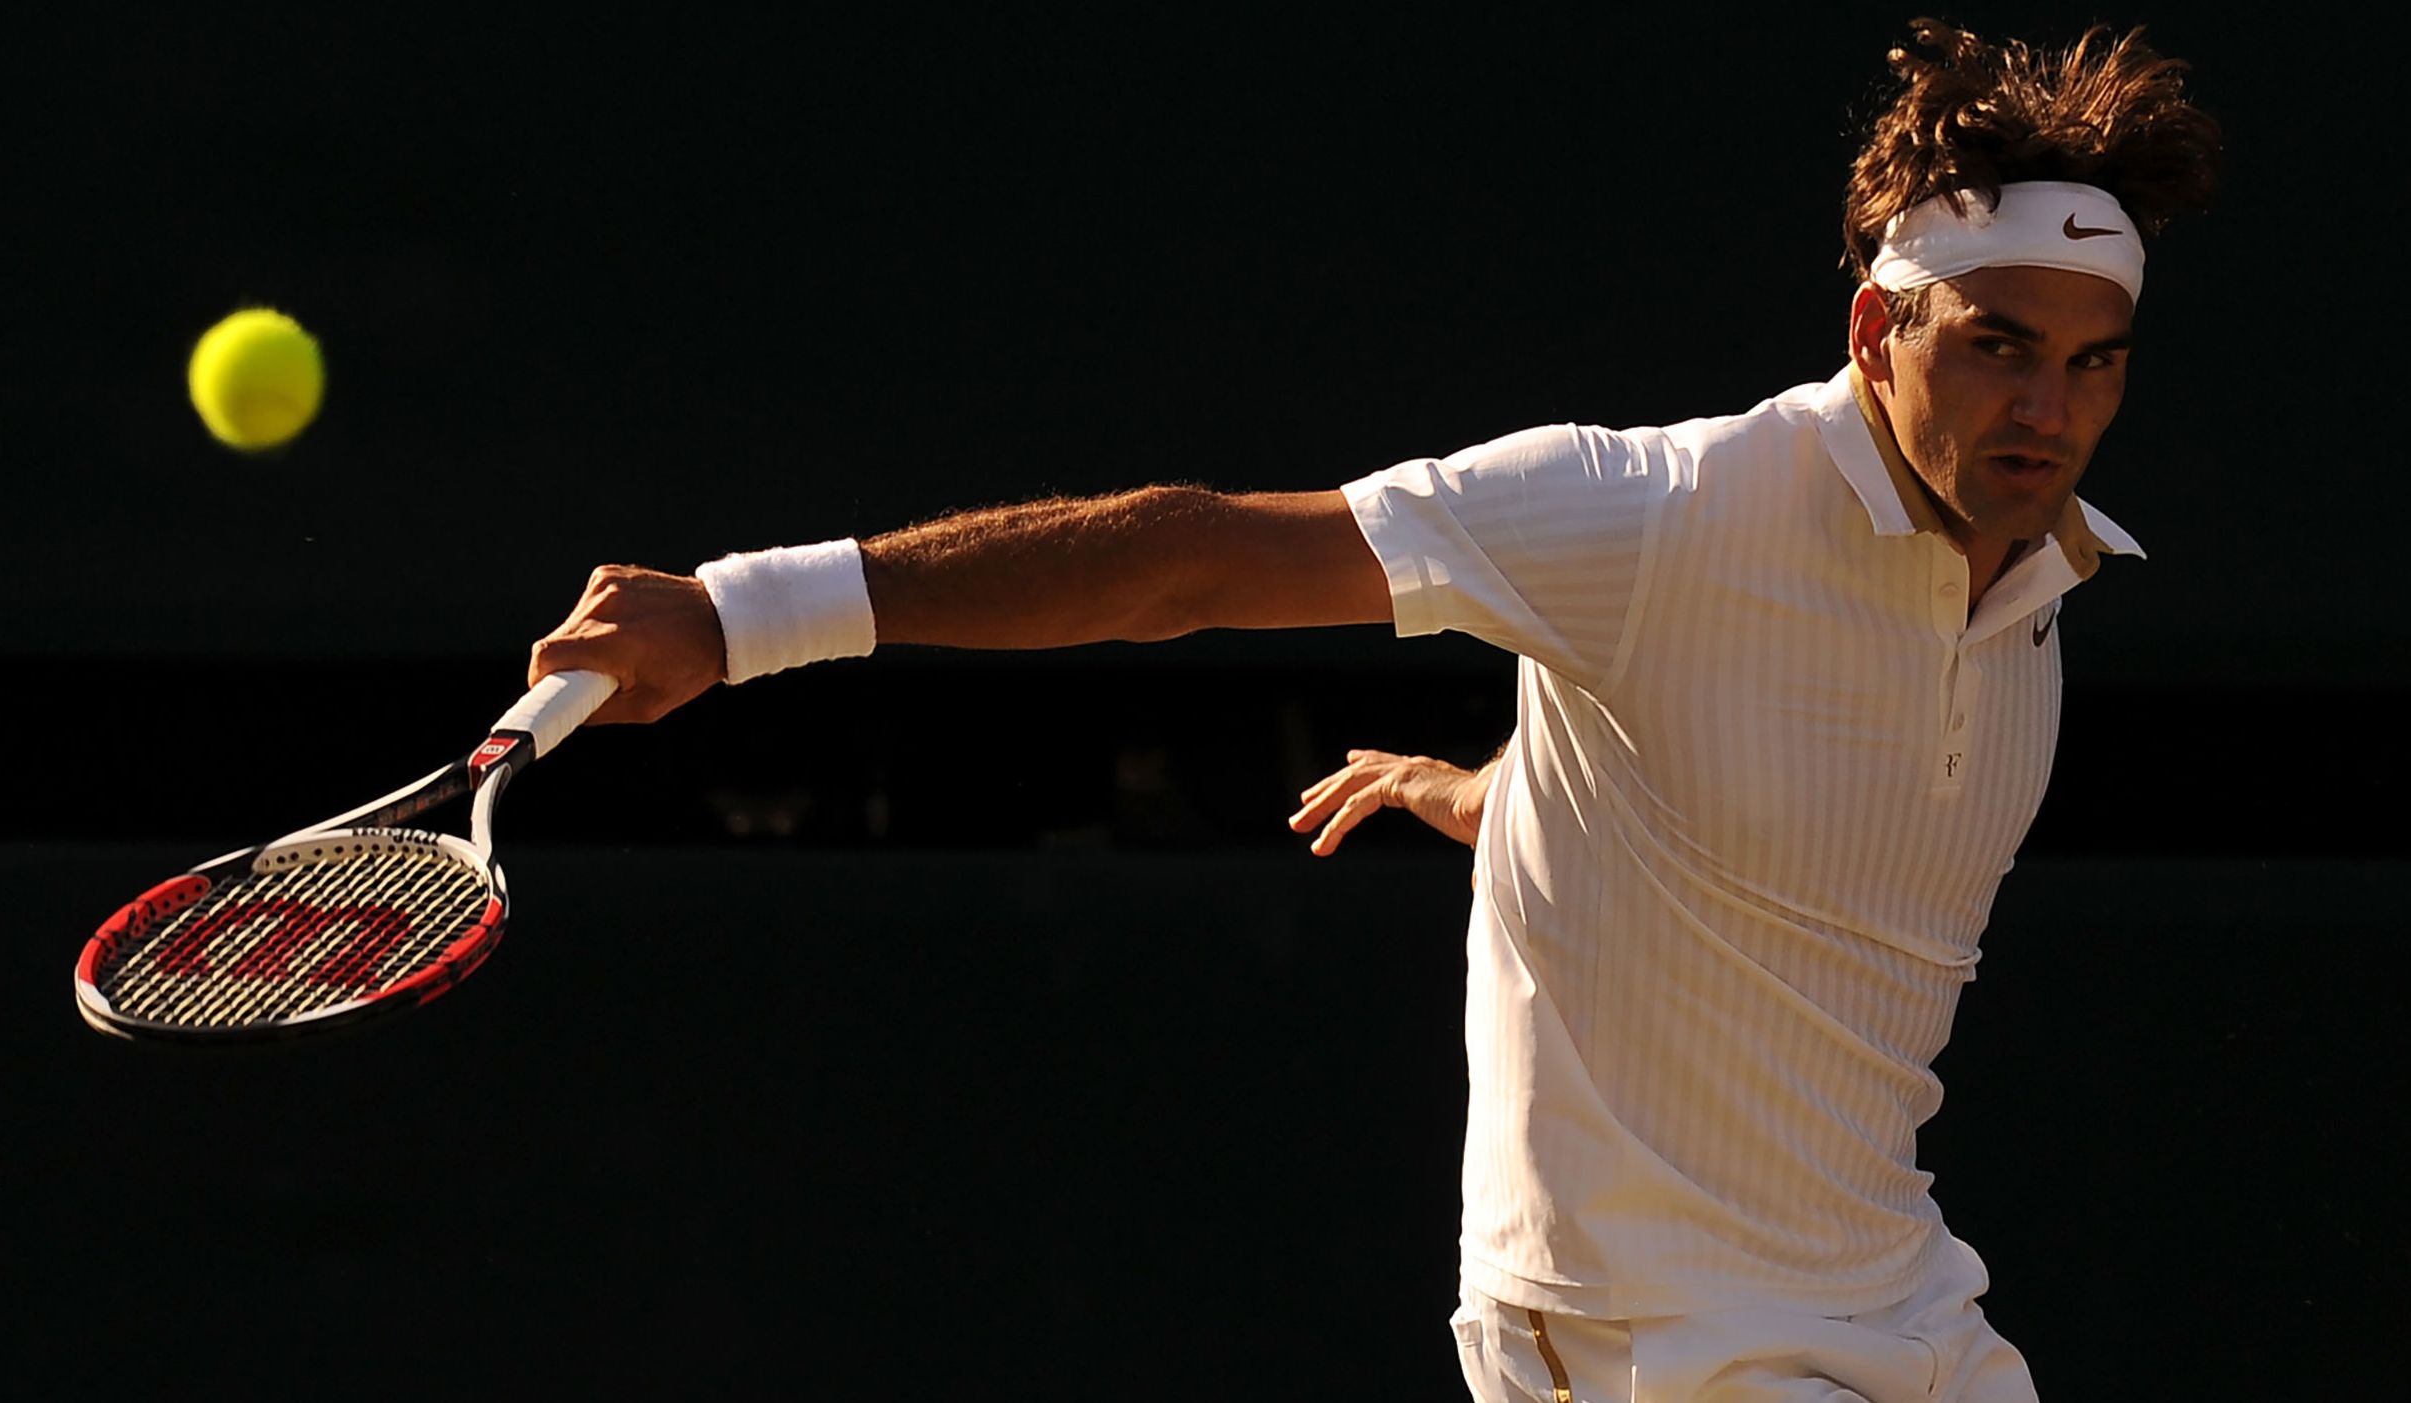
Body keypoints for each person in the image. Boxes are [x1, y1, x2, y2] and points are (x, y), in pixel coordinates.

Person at [528, 19, 2219, 1400]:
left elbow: (1742, 820)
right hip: (1652, 1348)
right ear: (1875, 330)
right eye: (1997, 347)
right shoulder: (1651, 513)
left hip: (1914, 1319)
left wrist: (1502, 796)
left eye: (2091, 364)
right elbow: (1182, 562)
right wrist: (741, 612)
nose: (2045, 409)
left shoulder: (2041, 581)